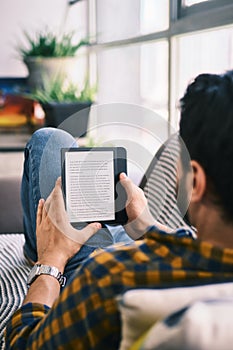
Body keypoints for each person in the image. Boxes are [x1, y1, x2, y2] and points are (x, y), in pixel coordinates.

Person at [5, 70, 233, 349]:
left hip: (86, 264)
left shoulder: (109, 277)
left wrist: (51, 261)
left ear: (196, 182)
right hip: (154, 248)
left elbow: (23, 344)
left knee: (49, 141)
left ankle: (38, 250)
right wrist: (146, 226)